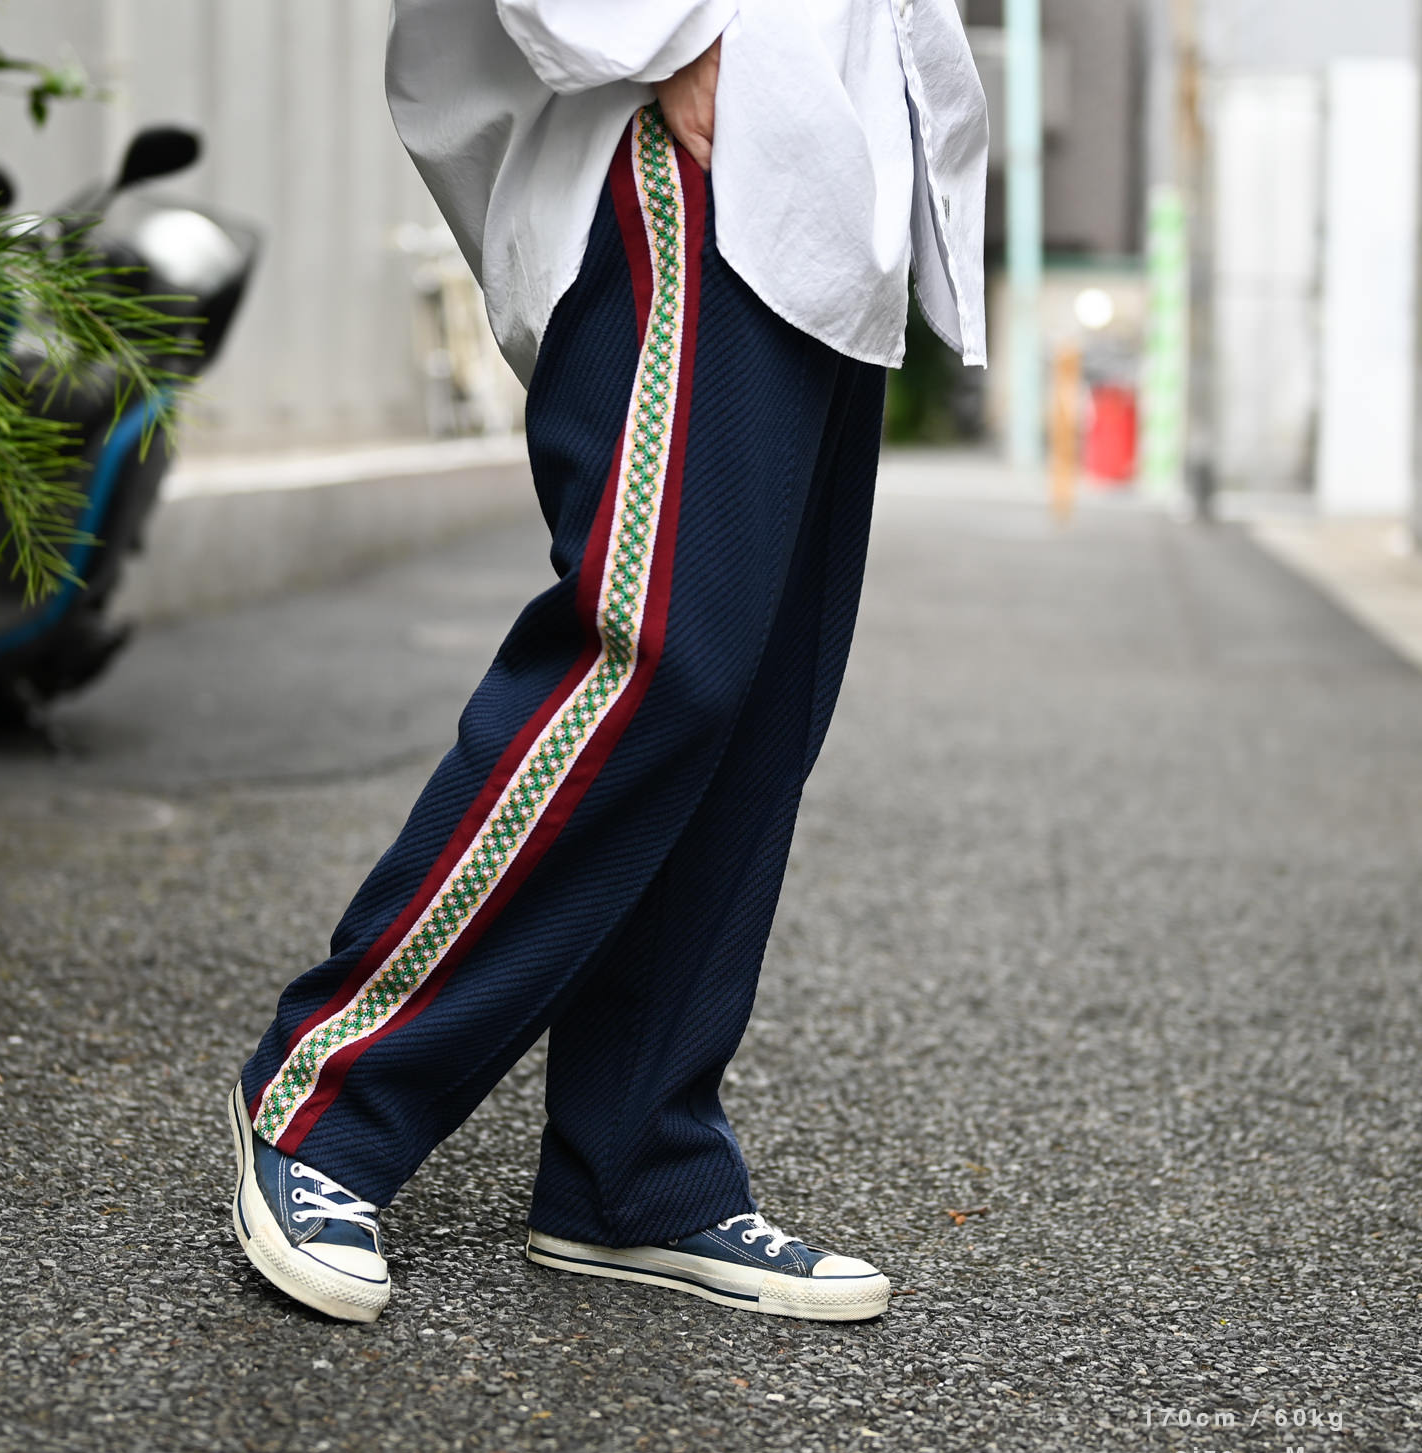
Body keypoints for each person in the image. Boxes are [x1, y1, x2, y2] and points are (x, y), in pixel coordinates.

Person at [228, 0, 987, 1324]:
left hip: (823, 156)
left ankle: (636, 1172)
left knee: (755, 707)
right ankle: (328, 1099)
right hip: (682, 116)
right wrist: (666, 38)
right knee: (658, 657)